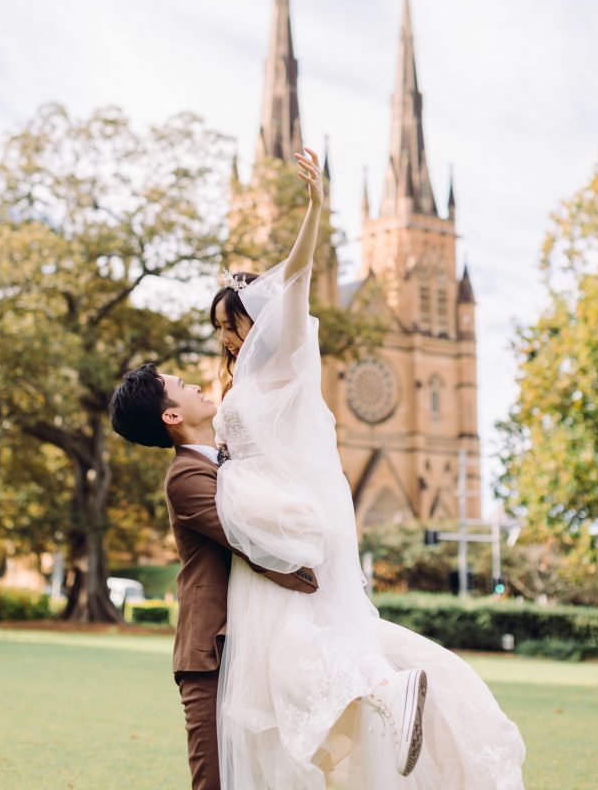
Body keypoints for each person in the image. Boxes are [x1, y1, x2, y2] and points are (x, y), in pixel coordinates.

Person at [209, 147, 526, 789]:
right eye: (220, 331)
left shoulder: (288, 357)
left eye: (232, 326)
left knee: (297, 668)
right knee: (280, 695)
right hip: (265, 533)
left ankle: (391, 692)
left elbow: (296, 276)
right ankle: (384, 700)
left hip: (290, 528)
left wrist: (316, 209)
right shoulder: (234, 384)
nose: (226, 341)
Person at [109, 363, 320, 790]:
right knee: (215, 780)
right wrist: (311, 576)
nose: (195, 386)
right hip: (211, 652)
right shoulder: (185, 477)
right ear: (172, 416)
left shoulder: (233, 454)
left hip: (256, 641)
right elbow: (248, 541)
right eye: (181, 386)